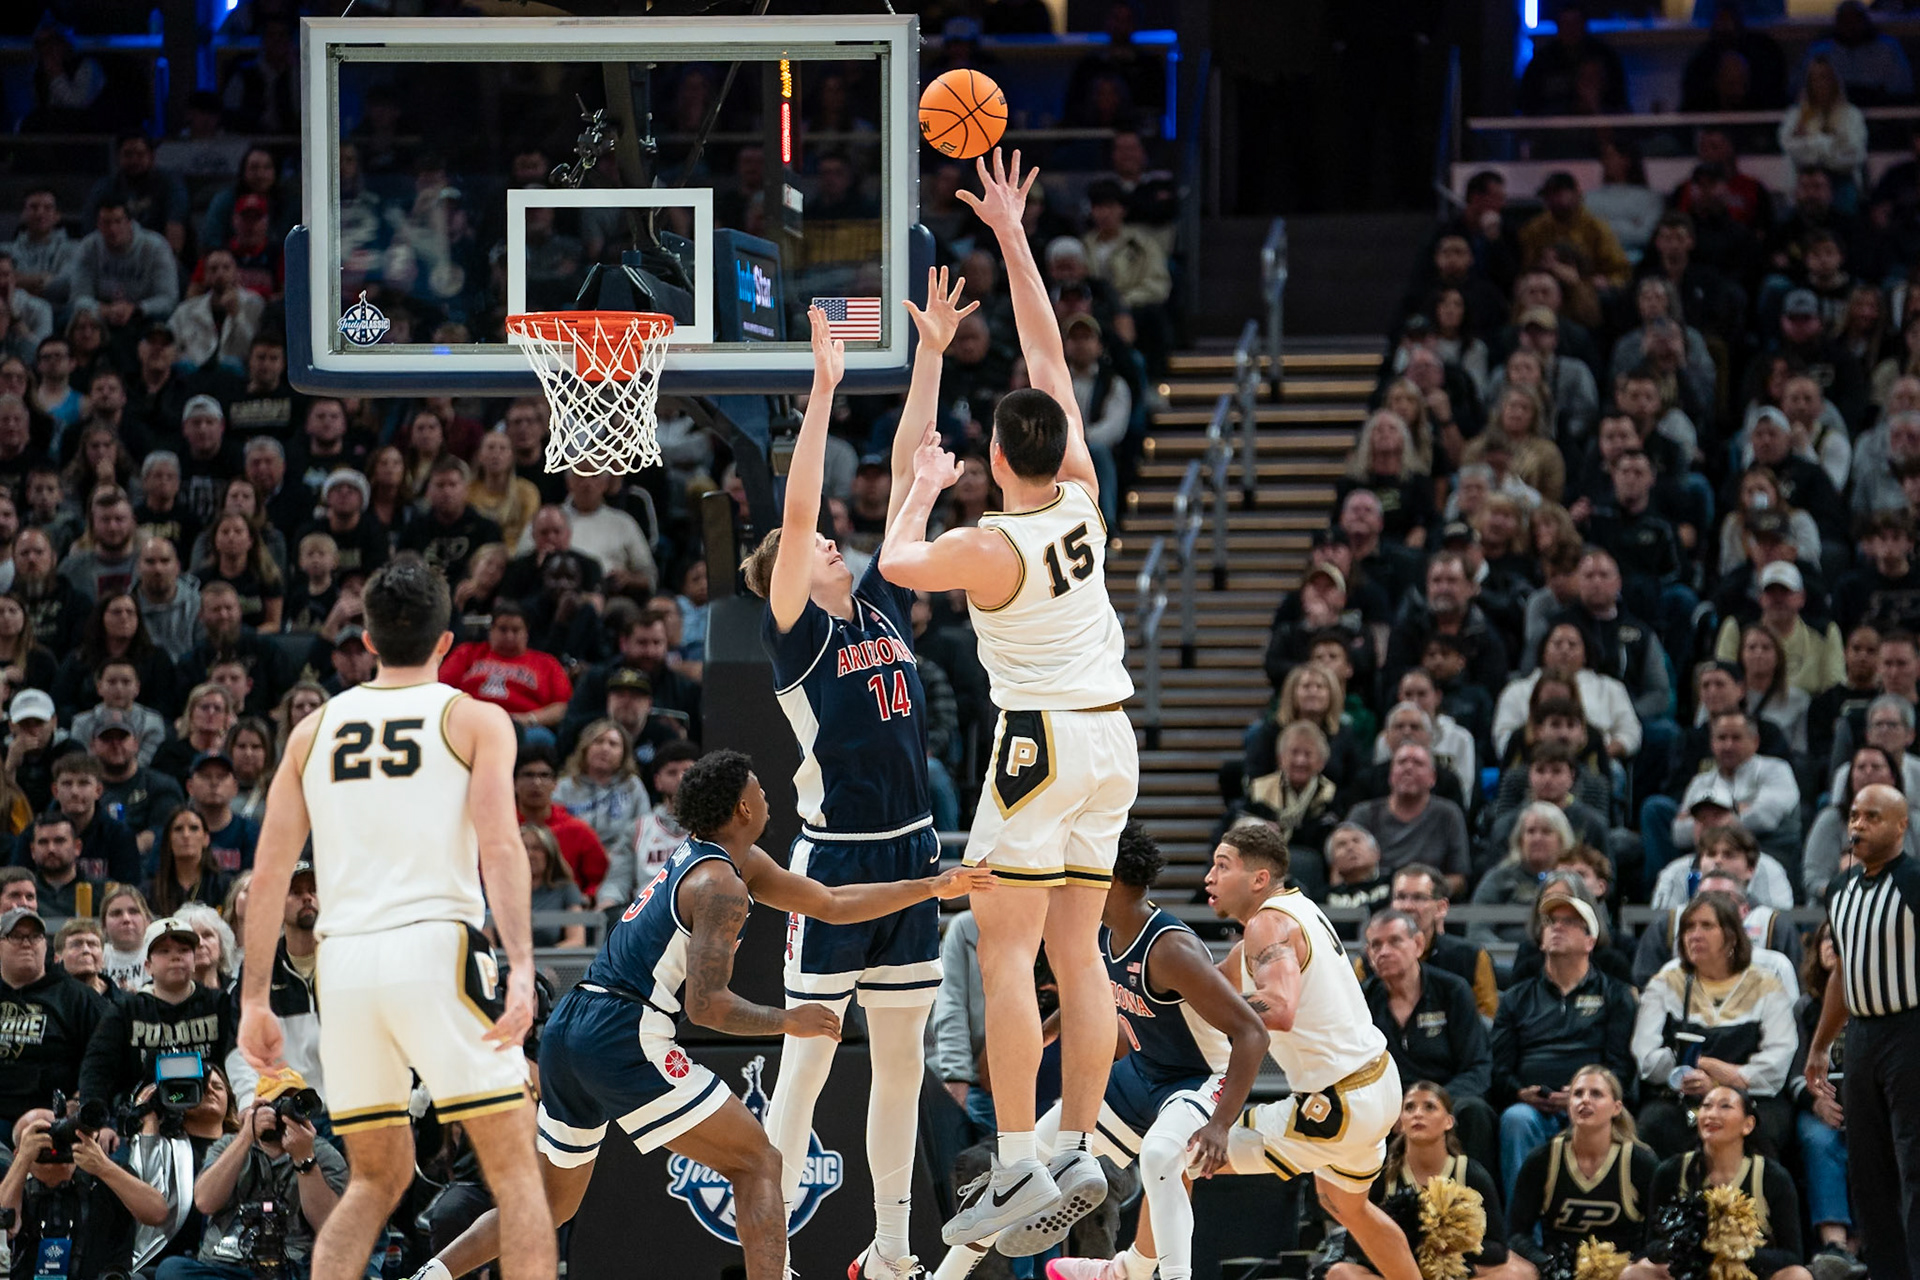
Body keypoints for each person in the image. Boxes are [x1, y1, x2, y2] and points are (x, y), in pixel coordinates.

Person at [407, 749, 990, 1280]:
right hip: (624, 1031)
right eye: (760, 789)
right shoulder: (719, 886)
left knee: (550, 1202)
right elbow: (706, 1007)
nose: (769, 796)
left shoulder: (733, 861)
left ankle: (429, 1277)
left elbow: (831, 904)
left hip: (571, 1026)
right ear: (742, 805)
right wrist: (790, 1020)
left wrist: (929, 887)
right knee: (759, 1161)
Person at [878, 150, 1140, 1250]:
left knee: (999, 951)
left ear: (992, 455)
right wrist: (1014, 233)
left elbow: (893, 559)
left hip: (1035, 743)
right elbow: (1042, 348)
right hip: (1112, 739)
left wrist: (923, 487)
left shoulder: (987, 546)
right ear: (1057, 442)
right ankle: (1080, 1141)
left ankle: (1025, 1164)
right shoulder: (1082, 492)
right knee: (1077, 952)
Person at [233, 554, 555, 1280]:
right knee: (517, 1177)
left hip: (343, 969)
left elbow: (268, 874)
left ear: (368, 640)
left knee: (376, 1179)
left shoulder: (312, 730)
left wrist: (255, 997)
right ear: (447, 641)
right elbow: (502, 845)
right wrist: (524, 966)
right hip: (434, 948)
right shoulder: (473, 717)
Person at [744, 289, 968, 1278]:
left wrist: (929, 355)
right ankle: (774, 1253)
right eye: (820, 546)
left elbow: (912, 457)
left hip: (913, 854)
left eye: (838, 542)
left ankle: (888, 1248)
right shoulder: (796, 627)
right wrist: (823, 388)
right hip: (833, 868)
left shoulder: (879, 600)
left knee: (903, 1062)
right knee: (807, 1062)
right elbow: (798, 514)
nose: (835, 540)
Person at [934, 823, 1267, 1280]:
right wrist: (1049, 1028)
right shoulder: (1100, 934)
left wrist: (1220, 1125)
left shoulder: (1170, 947)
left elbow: (1252, 1033)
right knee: (1022, 1158)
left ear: (1107, 876)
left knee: (1158, 1156)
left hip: (1199, 1078)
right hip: (1143, 1075)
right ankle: (946, 1276)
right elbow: (1096, 998)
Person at [1201, 821, 1420, 1280]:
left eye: (1222, 866)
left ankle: (1129, 1269)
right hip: (1379, 1083)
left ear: (1259, 879)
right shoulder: (1295, 908)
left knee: (1178, 1156)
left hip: (1338, 1104)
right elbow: (1202, 986)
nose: (1208, 877)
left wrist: (1216, 1007)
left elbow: (1279, 1009)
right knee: (1346, 1205)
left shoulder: (1268, 924)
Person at [1807, 782, 1920, 1280]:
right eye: (1854, 815)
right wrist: (1819, 1046)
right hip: (1862, 1038)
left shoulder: (1915, 880)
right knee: (1868, 1168)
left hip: (1913, 1029)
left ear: (1902, 826)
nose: (1858, 825)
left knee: (1914, 1162)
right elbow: (1842, 974)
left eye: (1873, 817)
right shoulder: (1840, 889)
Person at [1490, 886, 1638, 1201]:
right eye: (1551, 921)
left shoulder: (1615, 995)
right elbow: (1499, 1067)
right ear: (1541, 939)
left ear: (1590, 940)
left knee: (1595, 1114)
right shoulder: (1517, 997)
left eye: (1570, 922)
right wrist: (1519, 1091)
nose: (1557, 927)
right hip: (1532, 1108)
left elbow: (1621, 1066)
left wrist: (1586, 1093)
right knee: (1515, 1119)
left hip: (1594, 1102)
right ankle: (1523, 1236)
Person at [1630, 891, 1799, 1160]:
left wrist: (1719, 1079)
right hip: (1679, 1095)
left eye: (1706, 926)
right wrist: (1690, 1077)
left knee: (1765, 1129)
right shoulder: (1665, 982)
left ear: (1731, 936)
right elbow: (1647, 1058)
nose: (1694, 934)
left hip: (1750, 1097)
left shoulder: (1766, 984)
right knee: (1653, 1125)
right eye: (1688, 927)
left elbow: (1776, 1065)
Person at [157, 1068, 349, 1280]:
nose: (286, 1115)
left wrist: (305, 1159)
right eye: (278, 1104)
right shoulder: (230, 1145)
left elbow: (331, 1227)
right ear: (258, 1108)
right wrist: (246, 1135)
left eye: (294, 1105)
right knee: (172, 1270)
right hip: (226, 1266)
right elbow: (205, 1202)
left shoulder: (322, 1153)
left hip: (292, 1267)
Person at [1320, 1081, 1514, 1280]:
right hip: (1394, 1275)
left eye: (1429, 1107)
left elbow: (1498, 1249)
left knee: (1517, 1272)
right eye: (1409, 1108)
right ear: (1401, 1122)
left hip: (1451, 1274)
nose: (1418, 1114)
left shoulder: (1470, 1173)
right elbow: (1354, 1241)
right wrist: (1403, 1238)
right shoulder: (1382, 1173)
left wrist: (1446, 1241)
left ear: (1449, 1121)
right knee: (1340, 1273)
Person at [1623, 1085, 1813, 1280]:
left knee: (1798, 1276)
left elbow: (1792, 1255)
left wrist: (1735, 1252)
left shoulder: (1772, 1177)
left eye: (1725, 1107)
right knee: (1635, 1273)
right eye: (1706, 1106)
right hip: (1690, 1276)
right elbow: (1652, 1245)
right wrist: (1692, 1248)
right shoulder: (1671, 1171)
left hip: (1748, 1275)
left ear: (1748, 1124)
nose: (1712, 1114)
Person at [1361, 909, 1498, 1176]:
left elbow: (1478, 1067)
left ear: (1419, 944)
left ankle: (1479, 1205)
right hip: (1389, 1106)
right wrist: (1397, 1110)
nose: (1384, 951)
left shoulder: (1453, 991)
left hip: (1449, 1097)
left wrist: (1430, 1105)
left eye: (1395, 941)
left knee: (1475, 1111)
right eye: (1375, 945)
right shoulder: (1362, 1000)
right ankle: (1342, 1213)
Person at [80, 916, 235, 1127]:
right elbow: (96, 1071)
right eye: (164, 951)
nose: (176, 957)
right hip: (140, 1120)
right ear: (147, 966)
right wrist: (101, 1125)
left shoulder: (220, 1005)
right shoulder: (125, 1011)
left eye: (183, 950)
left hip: (210, 1118)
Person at [1504, 1064, 1657, 1275]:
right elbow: (1517, 1233)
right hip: (1559, 1271)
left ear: (1616, 1107)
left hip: (1622, 1272)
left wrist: (1631, 1266)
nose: (1585, 1100)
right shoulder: (1543, 1160)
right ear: (1568, 1105)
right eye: (1577, 1094)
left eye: (1596, 1094)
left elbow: (1658, 1236)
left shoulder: (1639, 1161)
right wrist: (1546, 1263)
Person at [1, 1105, 169, 1280]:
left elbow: (157, 1213)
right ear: (17, 1151)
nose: (53, 1142)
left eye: (59, 1132)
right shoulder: (12, 1182)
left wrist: (104, 1166)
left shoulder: (105, 1174)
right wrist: (22, 1161)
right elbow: (4, 1227)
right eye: (40, 1134)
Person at [0, 905, 108, 1140]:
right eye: (16, 936)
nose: (27, 943)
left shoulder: (78, 998)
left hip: (57, 1121)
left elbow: (106, 1060)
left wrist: (81, 1102)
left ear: (45, 945)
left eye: (35, 936)